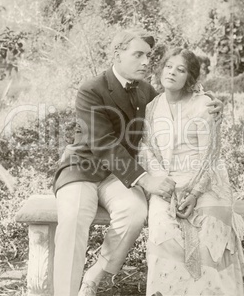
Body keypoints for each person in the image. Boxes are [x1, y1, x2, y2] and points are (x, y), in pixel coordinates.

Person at [52, 29, 224, 296]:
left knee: (134, 212)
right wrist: (147, 179)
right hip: (83, 169)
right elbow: (103, 143)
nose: (146, 62)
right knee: (74, 217)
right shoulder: (92, 89)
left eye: (148, 56)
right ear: (117, 54)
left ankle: (96, 275)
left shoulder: (146, 91)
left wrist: (213, 104)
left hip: (118, 177)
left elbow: (180, 98)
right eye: (138, 54)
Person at [139, 48, 244, 296]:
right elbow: (147, 149)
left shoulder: (203, 105)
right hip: (166, 182)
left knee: (209, 231)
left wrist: (193, 193)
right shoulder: (152, 108)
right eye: (169, 67)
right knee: (163, 229)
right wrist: (161, 183)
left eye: (181, 69)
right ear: (161, 70)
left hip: (204, 181)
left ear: (190, 78)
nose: (173, 73)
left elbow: (210, 156)